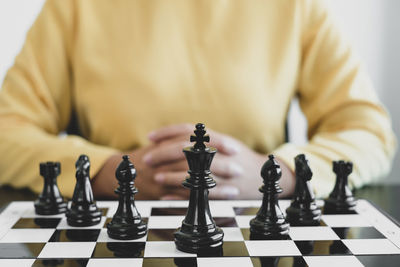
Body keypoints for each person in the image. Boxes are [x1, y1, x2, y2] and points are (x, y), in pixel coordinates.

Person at [0, 0, 396, 200]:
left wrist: (275, 174)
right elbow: (6, 131)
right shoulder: (72, 7)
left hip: (256, 234)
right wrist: (104, 172)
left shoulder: (296, 6)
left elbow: (368, 132)